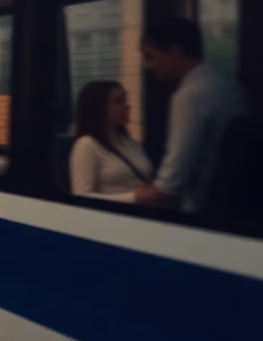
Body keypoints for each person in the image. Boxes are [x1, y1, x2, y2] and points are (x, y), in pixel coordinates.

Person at [135, 18, 251, 211]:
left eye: (150, 56)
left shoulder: (190, 95)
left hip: (203, 210)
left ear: (173, 52)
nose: (147, 65)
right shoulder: (230, 85)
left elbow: (172, 179)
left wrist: (147, 193)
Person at [70, 81, 153, 202]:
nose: (127, 105)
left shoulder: (130, 143)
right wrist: (133, 197)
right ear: (98, 109)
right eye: (118, 101)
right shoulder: (86, 145)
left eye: (125, 99)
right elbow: (81, 195)